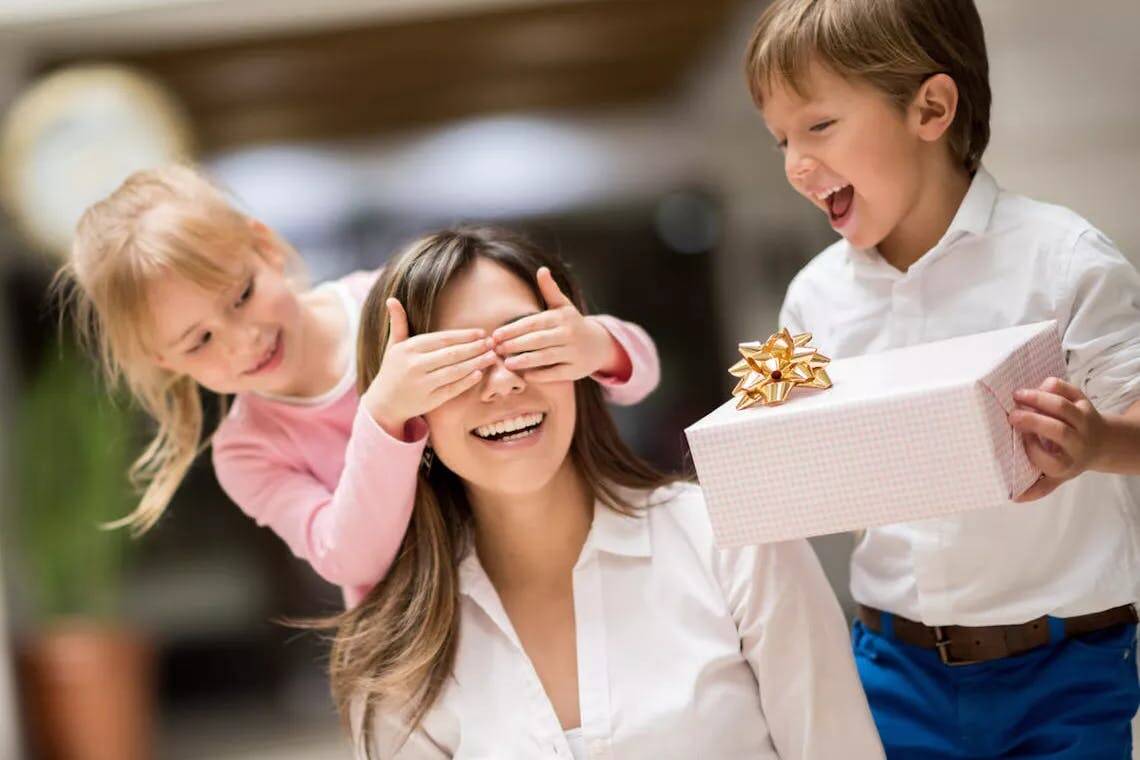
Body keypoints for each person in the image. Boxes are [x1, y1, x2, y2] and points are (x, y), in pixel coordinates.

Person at [745, 0, 1140, 756]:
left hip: (1065, 666)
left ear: (930, 107)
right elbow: (782, 443)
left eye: (819, 126)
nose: (796, 163)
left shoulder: (1065, 259)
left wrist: (1095, 444)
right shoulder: (812, 297)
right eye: (781, 140)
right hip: (893, 666)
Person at [329, 226, 884, 759]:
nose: (502, 381)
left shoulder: (730, 541)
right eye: (450, 365)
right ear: (408, 415)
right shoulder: (398, 655)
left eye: (528, 343)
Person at [57, 165, 661, 607]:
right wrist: (384, 416)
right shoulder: (248, 452)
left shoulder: (392, 299)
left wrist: (593, 346)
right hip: (436, 630)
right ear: (165, 361)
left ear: (264, 247)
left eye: (240, 296)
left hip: (553, 570)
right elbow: (351, 558)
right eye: (199, 341)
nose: (241, 340)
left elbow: (635, 381)